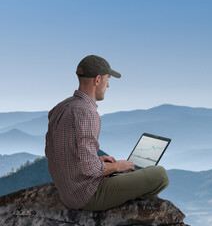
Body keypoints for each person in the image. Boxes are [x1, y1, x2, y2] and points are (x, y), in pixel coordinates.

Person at [45, 55, 169, 211]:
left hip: (67, 192)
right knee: (160, 175)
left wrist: (97, 160)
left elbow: (54, 153)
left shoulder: (61, 107)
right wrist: (116, 166)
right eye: (107, 79)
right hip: (87, 196)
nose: (108, 85)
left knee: (127, 171)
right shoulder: (87, 113)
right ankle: (132, 195)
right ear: (98, 80)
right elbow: (89, 169)